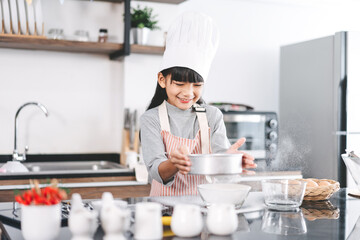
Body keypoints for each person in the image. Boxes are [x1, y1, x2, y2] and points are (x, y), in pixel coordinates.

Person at [140, 12, 256, 196]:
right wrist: (174, 164)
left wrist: (231, 163)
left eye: (197, 85)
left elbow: (221, 166)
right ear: (162, 80)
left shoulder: (212, 116)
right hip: (163, 213)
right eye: (179, 84)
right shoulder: (151, 119)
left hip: (203, 207)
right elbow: (155, 171)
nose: (188, 92)